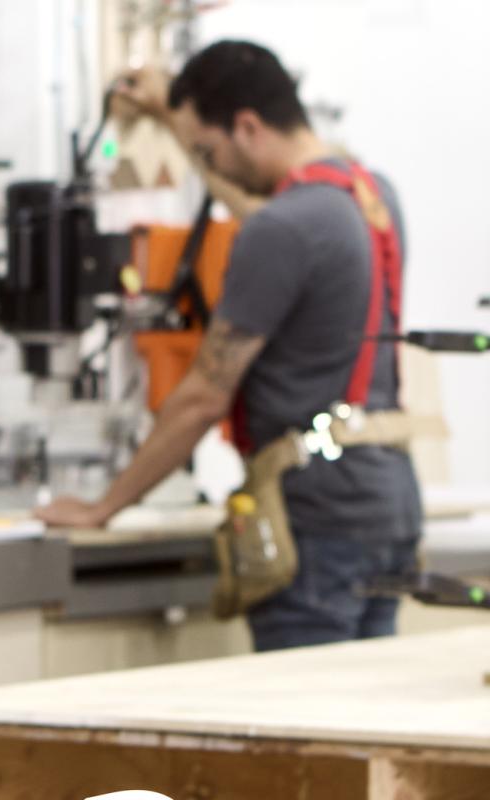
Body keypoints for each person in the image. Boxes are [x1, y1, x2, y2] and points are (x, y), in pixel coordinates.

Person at [35, 41, 422, 652]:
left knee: (306, 728)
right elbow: (276, 211)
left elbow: (202, 398)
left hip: (312, 525)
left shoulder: (279, 230)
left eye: (207, 150)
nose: (206, 164)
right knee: (361, 717)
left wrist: (102, 507)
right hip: (388, 502)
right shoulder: (373, 198)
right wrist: (175, 117)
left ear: (247, 125)